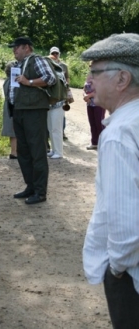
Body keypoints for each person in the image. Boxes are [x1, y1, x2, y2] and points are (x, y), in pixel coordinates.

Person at [81, 33, 139, 329]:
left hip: (131, 275)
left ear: (122, 79)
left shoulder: (119, 134)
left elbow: (127, 222)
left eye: (95, 71)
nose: (89, 80)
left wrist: (116, 267)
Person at [8, 36, 56, 205]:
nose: (14, 50)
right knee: (24, 152)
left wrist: (28, 81)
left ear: (26, 48)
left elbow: (50, 78)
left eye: (17, 47)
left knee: (37, 152)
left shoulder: (38, 60)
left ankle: (40, 192)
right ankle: (31, 187)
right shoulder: (17, 65)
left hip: (35, 111)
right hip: (20, 110)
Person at [49, 46, 69, 140]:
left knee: (62, 111)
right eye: (53, 53)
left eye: (56, 53)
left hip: (63, 90)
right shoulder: (49, 64)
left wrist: (67, 86)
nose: (55, 55)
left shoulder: (64, 66)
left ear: (59, 54)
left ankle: (62, 131)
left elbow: (67, 77)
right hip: (54, 91)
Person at [83, 73, 105, 150]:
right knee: (92, 123)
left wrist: (89, 96)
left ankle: (104, 143)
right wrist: (85, 96)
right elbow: (84, 89)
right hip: (89, 104)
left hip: (99, 103)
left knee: (99, 123)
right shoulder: (89, 76)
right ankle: (94, 142)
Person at [1, 61, 17, 159]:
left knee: (12, 131)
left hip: (7, 106)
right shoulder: (13, 82)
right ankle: (15, 152)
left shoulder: (6, 81)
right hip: (12, 107)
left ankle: (13, 151)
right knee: (15, 130)